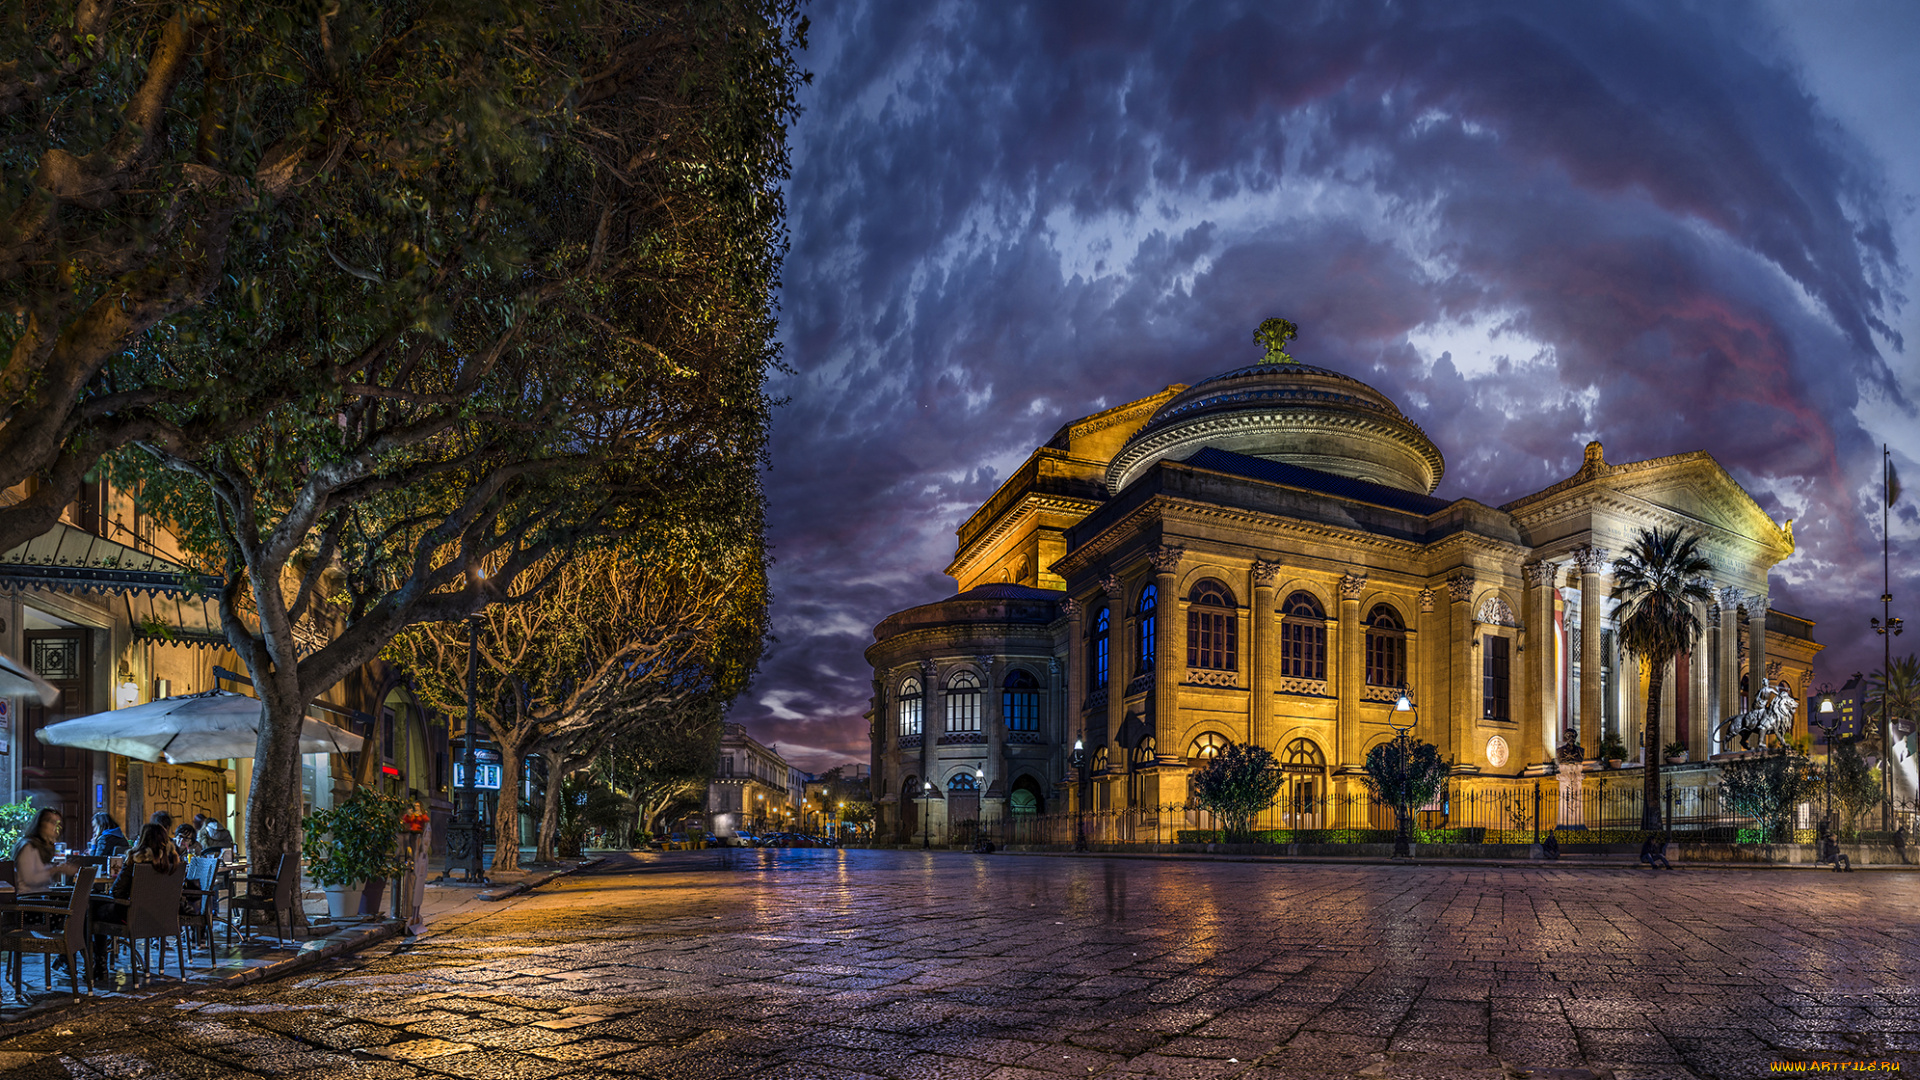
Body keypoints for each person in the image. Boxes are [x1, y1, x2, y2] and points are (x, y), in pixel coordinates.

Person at [90, 823, 180, 981]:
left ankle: (98, 966)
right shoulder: (174, 862)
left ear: (142, 838)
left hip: (133, 916)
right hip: (163, 918)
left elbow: (116, 891)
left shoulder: (135, 859)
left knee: (92, 908)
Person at [12, 808, 76, 894]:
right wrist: (56, 869)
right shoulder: (28, 846)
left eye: (58, 824)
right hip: (29, 900)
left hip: (42, 896)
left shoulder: (43, 847)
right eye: (52, 822)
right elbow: (30, 879)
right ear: (40, 824)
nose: (56, 827)